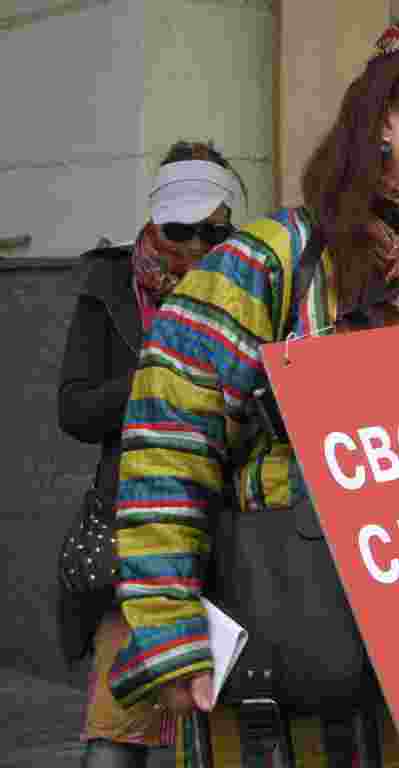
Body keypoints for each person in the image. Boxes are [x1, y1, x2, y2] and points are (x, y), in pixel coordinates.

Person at [109, 19, 399, 766]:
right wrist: (169, 632)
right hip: (293, 702)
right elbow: (166, 457)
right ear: (382, 119)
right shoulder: (261, 268)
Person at [57, 140, 245, 767]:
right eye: (180, 230)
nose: (194, 248)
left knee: (232, 723)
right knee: (120, 723)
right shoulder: (110, 285)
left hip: (236, 528)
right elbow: (76, 409)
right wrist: (160, 367)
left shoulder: (253, 282)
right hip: (138, 531)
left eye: (211, 234)